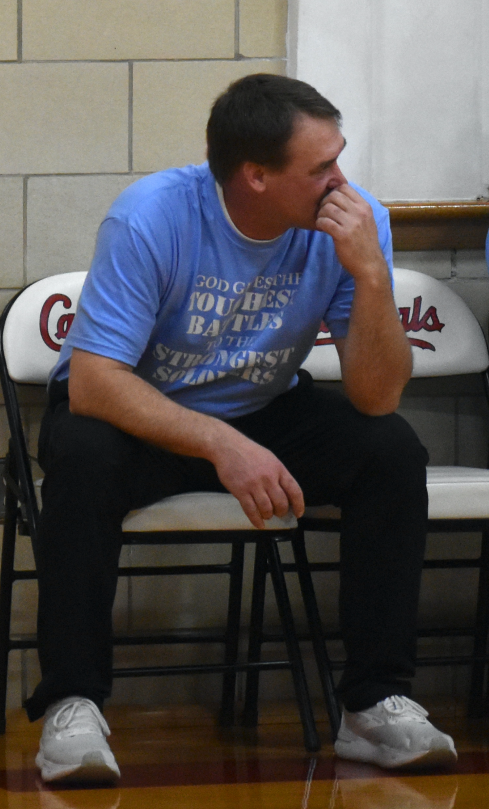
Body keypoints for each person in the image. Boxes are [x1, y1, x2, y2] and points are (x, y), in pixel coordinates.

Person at [27, 74, 456, 785]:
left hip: (262, 408)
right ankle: (72, 705)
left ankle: (375, 701)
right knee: (79, 451)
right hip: (142, 412)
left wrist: (371, 277)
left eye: (339, 157)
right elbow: (98, 383)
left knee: (388, 449)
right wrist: (221, 444)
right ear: (255, 175)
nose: (339, 180)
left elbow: (376, 397)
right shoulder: (151, 216)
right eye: (319, 167)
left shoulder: (356, 222)